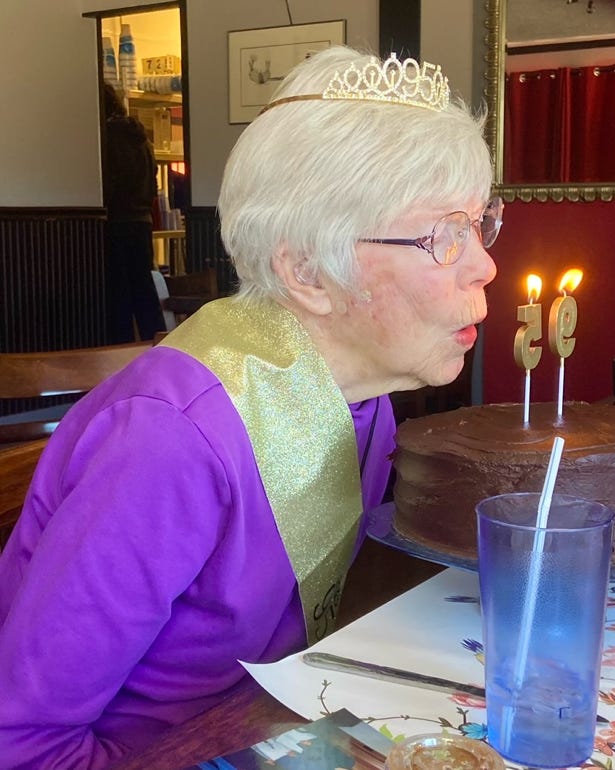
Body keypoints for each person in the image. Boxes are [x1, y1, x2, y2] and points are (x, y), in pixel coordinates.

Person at [0, 46, 500, 769]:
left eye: (479, 224)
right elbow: (21, 743)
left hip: (267, 723)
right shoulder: (171, 443)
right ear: (308, 273)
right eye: (444, 236)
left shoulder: (363, 400)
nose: (484, 264)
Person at [101, 82, 166, 343]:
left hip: (114, 222)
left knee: (118, 297)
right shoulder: (141, 139)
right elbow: (153, 183)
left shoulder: (105, 138)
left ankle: (119, 355)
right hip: (142, 222)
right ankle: (159, 347)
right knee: (144, 291)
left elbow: (107, 184)